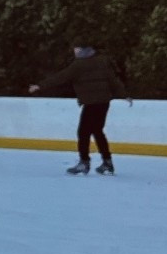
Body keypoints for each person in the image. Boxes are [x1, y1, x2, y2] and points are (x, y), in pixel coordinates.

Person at [30, 43, 132, 174]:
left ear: (84, 50)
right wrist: (124, 95)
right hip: (104, 102)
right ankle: (107, 162)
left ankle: (84, 162)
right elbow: (113, 80)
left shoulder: (79, 65)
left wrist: (40, 86)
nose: (75, 51)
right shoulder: (101, 61)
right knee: (97, 131)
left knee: (83, 132)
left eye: (77, 49)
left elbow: (61, 77)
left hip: (91, 103)